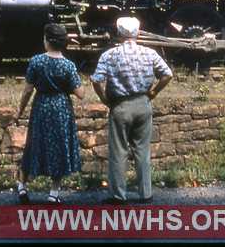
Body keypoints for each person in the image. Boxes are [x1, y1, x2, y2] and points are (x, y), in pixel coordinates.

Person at [92, 17, 173, 204]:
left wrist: (104, 98)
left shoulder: (109, 55)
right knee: (142, 150)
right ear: (137, 32)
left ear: (119, 33)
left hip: (120, 106)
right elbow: (168, 74)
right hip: (143, 104)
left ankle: (118, 195)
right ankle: (146, 193)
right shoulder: (149, 53)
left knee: (119, 151)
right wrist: (153, 92)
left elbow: (96, 80)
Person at [14, 23, 85, 204]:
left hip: (41, 106)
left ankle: (22, 186)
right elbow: (80, 94)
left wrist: (19, 111)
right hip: (61, 108)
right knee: (60, 147)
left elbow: (28, 90)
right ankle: (53, 193)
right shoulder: (68, 65)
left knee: (34, 144)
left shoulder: (36, 61)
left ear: (46, 40)